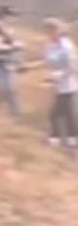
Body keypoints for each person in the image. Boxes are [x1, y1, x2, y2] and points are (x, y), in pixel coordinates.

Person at [44, 19, 77, 149]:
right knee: (65, 112)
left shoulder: (67, 46)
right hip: (57, 84)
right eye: (48, 30)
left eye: (53, 30)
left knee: (58, 113)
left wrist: (59, 75)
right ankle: (69, 139)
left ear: (58, 31)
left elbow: (72, 65)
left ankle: (57, 138)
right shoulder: (49, 46)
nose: (50, 33)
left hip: (69, 83)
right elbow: (47, 61)